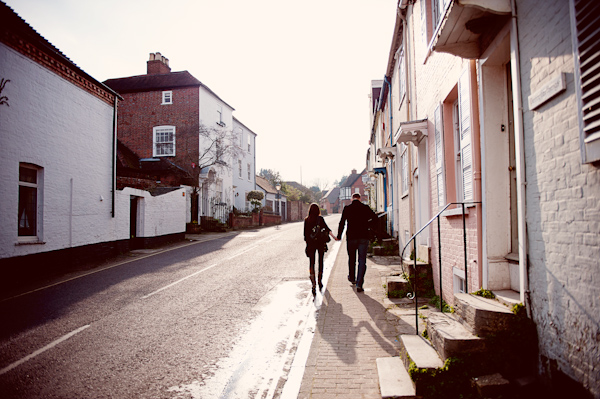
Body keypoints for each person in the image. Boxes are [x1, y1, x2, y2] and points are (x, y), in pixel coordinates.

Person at [337, 193, 377, 292]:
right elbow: (375, 219)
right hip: (363, 237)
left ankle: (352, 277)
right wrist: (369, 225)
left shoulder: (347, 208)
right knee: (362, 260)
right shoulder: (365, 208)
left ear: (352, 199)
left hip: (351, 237)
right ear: (359, 199)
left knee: (352, 258)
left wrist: (339, 236)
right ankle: (359, 283)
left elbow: (342, 222)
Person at [304, 203, 338, 297]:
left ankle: (313, 283)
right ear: (318, 210)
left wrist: (308, 244)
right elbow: (327, 229)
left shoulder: (307, 220)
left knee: (312, 263)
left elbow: (305, 235)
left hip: (311, 244)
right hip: (320, 243)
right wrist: (334, 237)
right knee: (320, 261)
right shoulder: (320, 219)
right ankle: (320, 281)